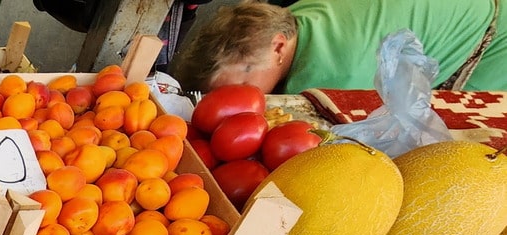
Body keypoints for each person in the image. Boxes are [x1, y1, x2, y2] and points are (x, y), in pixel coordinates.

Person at [171, 0, 507, 94]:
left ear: (277, 47)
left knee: (465, 143)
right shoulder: (298, 20)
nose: (238, 99)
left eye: (243, 86)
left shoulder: (337, 73)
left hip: (493, 40)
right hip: (465, 11)